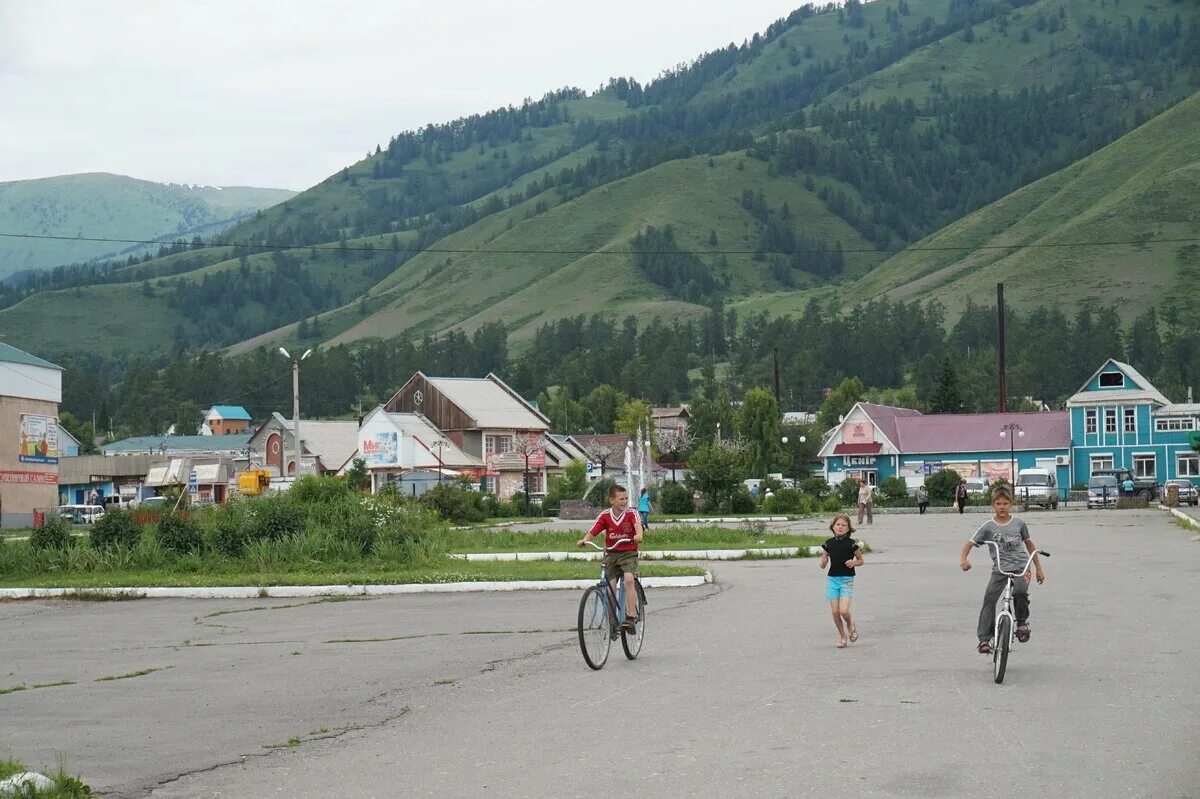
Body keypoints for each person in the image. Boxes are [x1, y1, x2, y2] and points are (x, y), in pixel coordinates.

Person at [959, 486, 1045, 654]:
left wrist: (1038, 569)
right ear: (993, 505)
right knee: (989, 600)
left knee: (1020, 592)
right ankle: (984, 640)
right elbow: (969, 543)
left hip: (1022, 567)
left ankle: (1021, 623)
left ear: (1010, 504)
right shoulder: (988, 527)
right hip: (1000, 569)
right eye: (998, 503)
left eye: (1005, 503)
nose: (1002, 507)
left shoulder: (1019, 523)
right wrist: (964, 559)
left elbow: (1029, 544)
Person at [578, 484, 644, 631]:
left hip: (628, 553)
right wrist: (585, 540)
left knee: (628, 579)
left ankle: (631, 616)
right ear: (612, 500)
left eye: (626, 498)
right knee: (610, 588)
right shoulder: (605, 516)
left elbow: (638, 525)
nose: (625, 501)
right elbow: (594, 530)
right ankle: (612, 620)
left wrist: (638, 535)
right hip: (611, 554)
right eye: (621, 499)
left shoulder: (631, 513)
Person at [819, 514, 864, 648]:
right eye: (838, 524)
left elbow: (861, 561)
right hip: (833, 580)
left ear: (848, 528)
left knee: (844, 611)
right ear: (833, 527)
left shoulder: (852, 544)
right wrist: (823, 561)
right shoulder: (828, 544)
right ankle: (842, 637)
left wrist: (854, 563)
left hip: (846, 579)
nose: (840, 527)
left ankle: (850, 625)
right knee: (835, 612)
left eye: (844, 525)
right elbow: (822, 563)